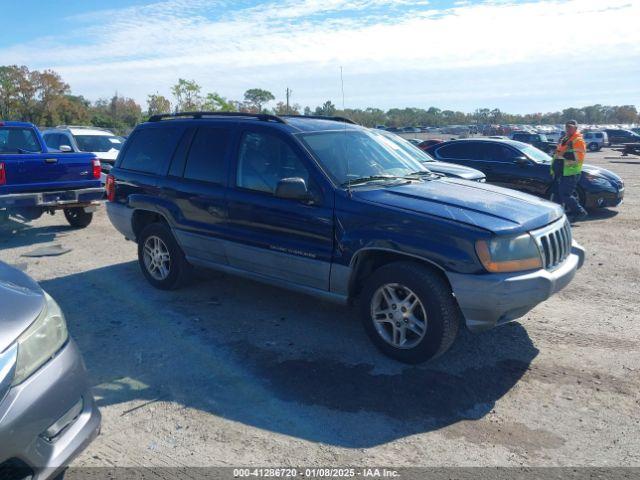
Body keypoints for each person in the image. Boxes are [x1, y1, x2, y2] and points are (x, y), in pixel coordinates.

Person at [551, 120, 588, 220]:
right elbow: (559, 152)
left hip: (571, 173)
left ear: (576, 128)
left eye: (571, 127)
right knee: (557, 195)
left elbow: (578, 158)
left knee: (565, 195)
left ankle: (580, 212)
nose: (568, 129)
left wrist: (561, 155)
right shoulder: (565, 138)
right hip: (561, 172)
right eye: (567, 127)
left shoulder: (578, 140)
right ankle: (557, 216)